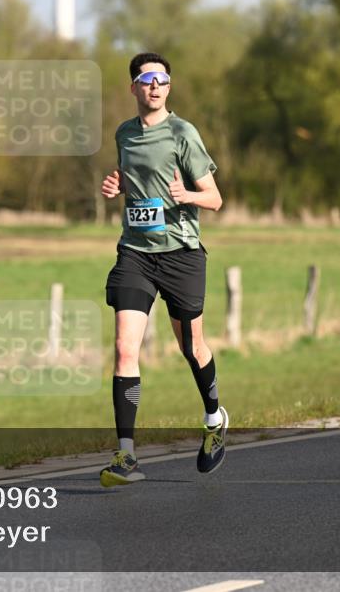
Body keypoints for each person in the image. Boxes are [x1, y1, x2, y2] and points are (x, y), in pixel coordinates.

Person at [98, 52, 228, 487]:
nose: (154, 86)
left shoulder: (183, 133)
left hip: (181, 254)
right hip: (135, 253)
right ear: (133, 87)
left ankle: (213, 419)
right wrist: (116, 184)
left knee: (191, 346)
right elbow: (133, 178)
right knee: (123, 348)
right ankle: (126, 455)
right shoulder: (124, 134)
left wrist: (187, 195)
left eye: (162, 79)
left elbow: (215, 198)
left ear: (168, 88)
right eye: (146, 79)